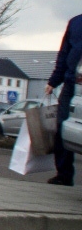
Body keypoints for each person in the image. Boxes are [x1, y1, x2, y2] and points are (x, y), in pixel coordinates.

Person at [43, 12, 82, 186]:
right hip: (72, 83)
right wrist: (54, 80)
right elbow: (64, 53)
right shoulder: (75, 23)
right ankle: (64, 175)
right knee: (62, 126)